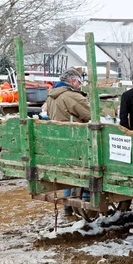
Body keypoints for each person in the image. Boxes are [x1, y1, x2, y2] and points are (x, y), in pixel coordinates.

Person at [45, 68, 91, 215]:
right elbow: (90, 113)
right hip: (75, 138)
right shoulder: (71, 96)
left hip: (60, 139)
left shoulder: (51, 95)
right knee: (86, 171)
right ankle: (86, 203)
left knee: (68, 172)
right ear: (73, 81)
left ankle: (68, 206)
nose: (80, 86)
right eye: (79, 83)